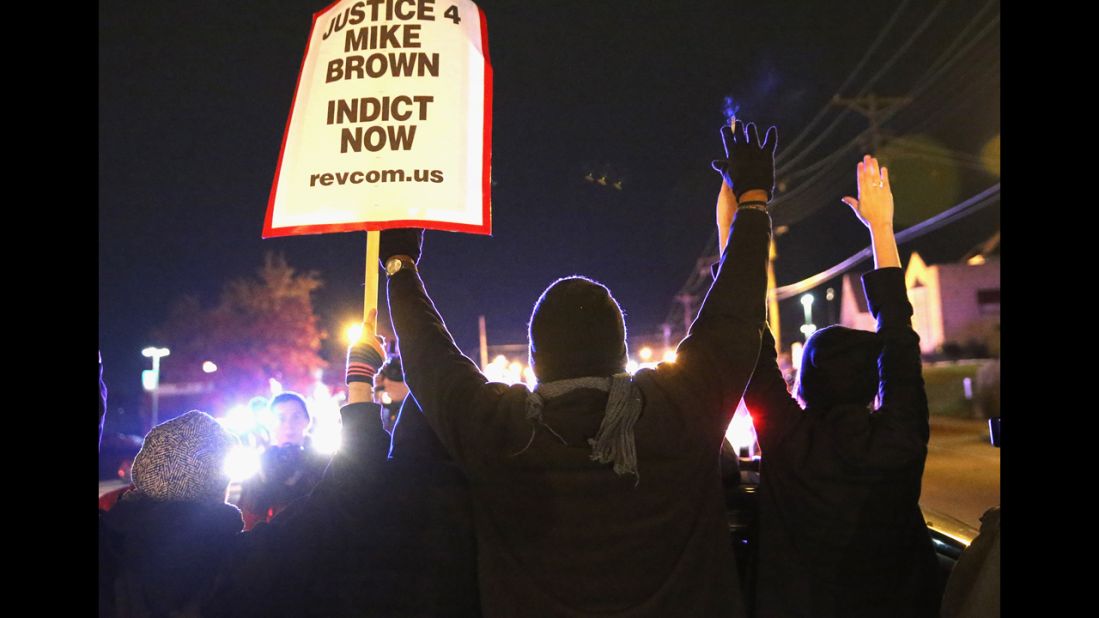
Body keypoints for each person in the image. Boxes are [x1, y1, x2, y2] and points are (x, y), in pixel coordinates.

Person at [379, 120, 777, 616]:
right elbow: (733, 322)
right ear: (623, 352)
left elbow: (428, 358)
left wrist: (399, 263)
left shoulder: (501, 428)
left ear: (536, 360)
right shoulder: (674, 409)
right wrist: (753, 202)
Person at [738, 155, 939, 617]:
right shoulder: (899, 436)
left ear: (803, 385)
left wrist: (742, 220)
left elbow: (748, 339)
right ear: (875, 385)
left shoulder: (789, 439)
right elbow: (898, 335)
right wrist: (880, 228)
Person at [99, 311, 392, 617]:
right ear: (216, 482)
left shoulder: (109, 556)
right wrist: (359, 380)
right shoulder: (241, 566)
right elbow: (346, 496)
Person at [237, 391, 330, 530]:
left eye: (296, 417)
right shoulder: (260, 465)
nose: (289, 425)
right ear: (270, 423)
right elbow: (248, 517)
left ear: (307, 420)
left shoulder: (325, 464)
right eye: (281, 418)